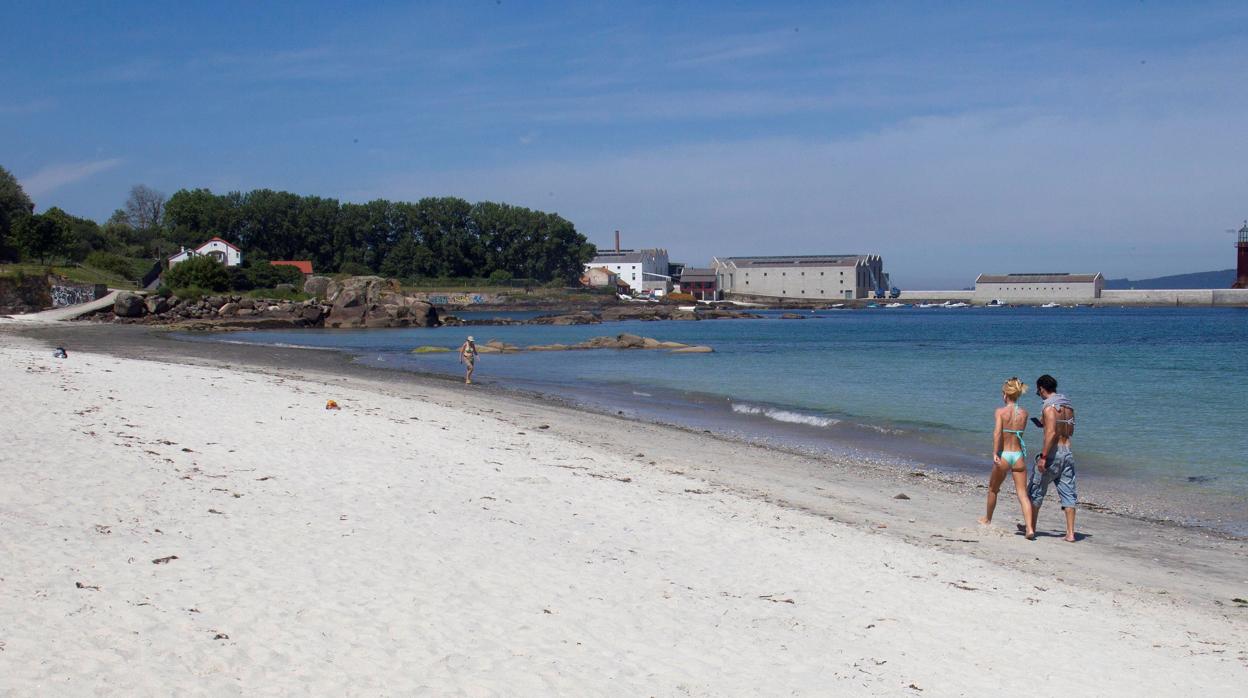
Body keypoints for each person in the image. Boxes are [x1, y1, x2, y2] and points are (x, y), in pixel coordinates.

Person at [979, 377, 1036, 539]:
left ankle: (987, 519)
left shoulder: (1000, 412)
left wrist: (995, 453)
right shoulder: (1024, 413)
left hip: (1004, 455)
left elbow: (997, 433)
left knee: (993, 489)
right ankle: (1030, 528)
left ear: (1005, 394)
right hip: (1018, 456)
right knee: (1022, 494)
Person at [1028, 374, 1078, 542]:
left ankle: (1031, 527)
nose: (1039, 394)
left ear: (1042, 389)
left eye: (1038, 391)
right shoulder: (1068, 406)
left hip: (1053, 454)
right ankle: (1070, 533)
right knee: (1068, 493)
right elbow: (1069, 431)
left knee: (1036, 490)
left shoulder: (1048, 407)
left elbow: (1051, 433)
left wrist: (1043, 457)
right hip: (1067, 451)